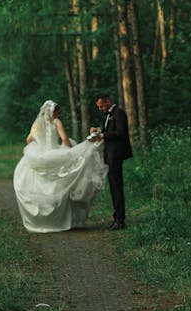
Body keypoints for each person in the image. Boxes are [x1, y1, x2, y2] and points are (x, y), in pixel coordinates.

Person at [13, 100, 108, 233]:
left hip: (41, 155)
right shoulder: (56, 122)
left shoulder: (37, 123)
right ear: (53, 112)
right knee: (61, 184)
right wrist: (72, 150)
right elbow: (64, 139)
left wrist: (38, 146)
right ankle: (60, 220)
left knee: (42, 186)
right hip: (54, 153)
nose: (59, 114)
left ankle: (42, 220)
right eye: (58, 111)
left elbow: (28, 140)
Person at [90, 93, 132, 230]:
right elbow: (110, 131)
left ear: (108, 101)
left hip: (116, 155)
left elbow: (120, 132)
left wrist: (102, 135)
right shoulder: (109, 114)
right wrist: (99, 132)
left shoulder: (119, 113)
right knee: (114, 187)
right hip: (110, 156)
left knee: (117, 187)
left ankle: (120, 220)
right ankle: (117, 218)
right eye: (98, 106)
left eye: (101, 105)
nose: (100, 108)